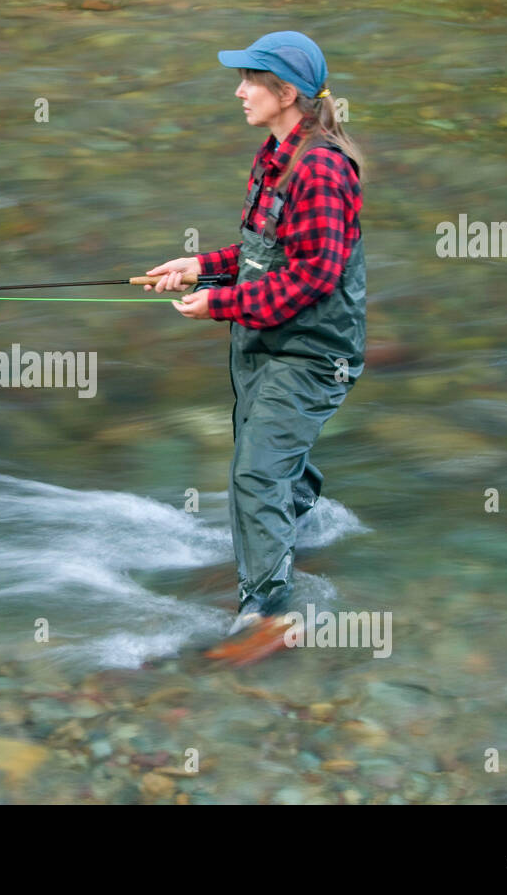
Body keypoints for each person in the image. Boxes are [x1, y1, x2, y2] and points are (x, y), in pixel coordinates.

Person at [146, 31, 365, 637]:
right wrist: (197, 266)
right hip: (266, 341)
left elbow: (314, 279)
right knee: (266, 461)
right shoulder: (275, 156)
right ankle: (304, 535)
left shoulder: (320, 169)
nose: (239, 92)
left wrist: (221, 304)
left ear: (286, 93)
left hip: (313, 353)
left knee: (255, 473)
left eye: (251, 81)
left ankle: (266, 611)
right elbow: (261, 252)